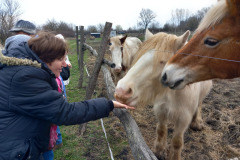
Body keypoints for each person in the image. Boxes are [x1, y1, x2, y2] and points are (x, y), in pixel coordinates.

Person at [0, 32, 135, 160]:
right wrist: (108, 104)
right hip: (15, 152)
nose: (65, 64)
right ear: (46, 59)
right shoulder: (25, 78)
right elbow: (65, 112)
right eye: (61, 59)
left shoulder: (22, 71)